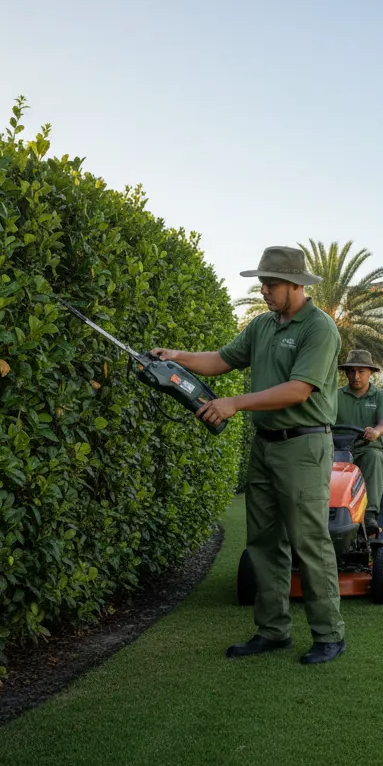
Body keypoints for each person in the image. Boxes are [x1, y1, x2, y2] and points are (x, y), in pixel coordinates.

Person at [150, 245, 346, 665]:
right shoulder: (261, 326)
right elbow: (221, 360)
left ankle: (329, 635)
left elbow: (299, 389)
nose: (264, 291)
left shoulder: (320, 328)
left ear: (295, 284)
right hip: (266, 446)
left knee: (309, 543)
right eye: (261, 284)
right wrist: (177, 356)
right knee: (263, 542)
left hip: (304, 447)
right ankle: (273, 631)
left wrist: (234, 403)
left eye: (270, 284)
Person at [335, 350, 383, 531]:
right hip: (338, 451)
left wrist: (376, 431)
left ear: (370, 372)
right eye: (351, 371)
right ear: (346, 373)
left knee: (374, 457)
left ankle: (369, 515)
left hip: (367, 449)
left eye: (361, 371)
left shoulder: (380, 396)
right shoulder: (335, 396)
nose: (356, 376)